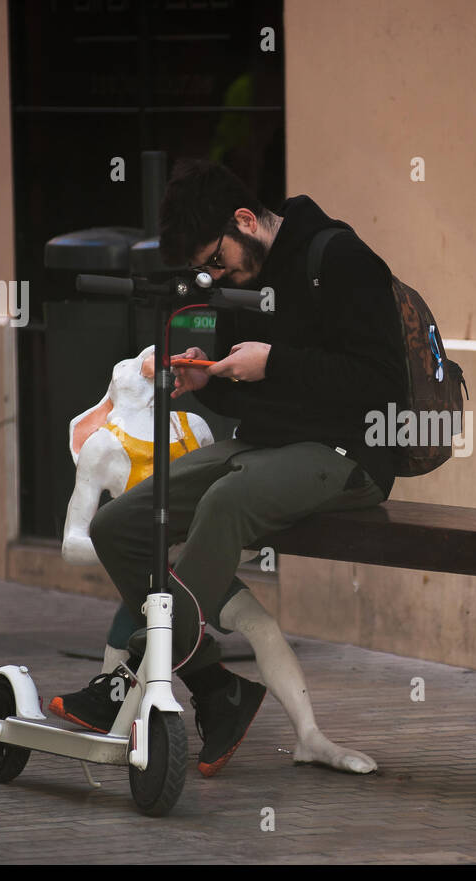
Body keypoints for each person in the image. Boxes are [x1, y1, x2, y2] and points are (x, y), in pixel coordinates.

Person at [49, 159, 408, 778]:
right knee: (120, 526)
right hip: (269, 444)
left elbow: (382, 387)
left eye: (216, 261)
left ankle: (132, 673)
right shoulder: (245, 280)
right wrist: (207, 380)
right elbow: (255, 392)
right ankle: (218, 689)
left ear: (245, 221)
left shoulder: (342, 259)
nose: (214, 278)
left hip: (352, 456)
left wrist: (278, 363)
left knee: (224, 504)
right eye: (205, 271)